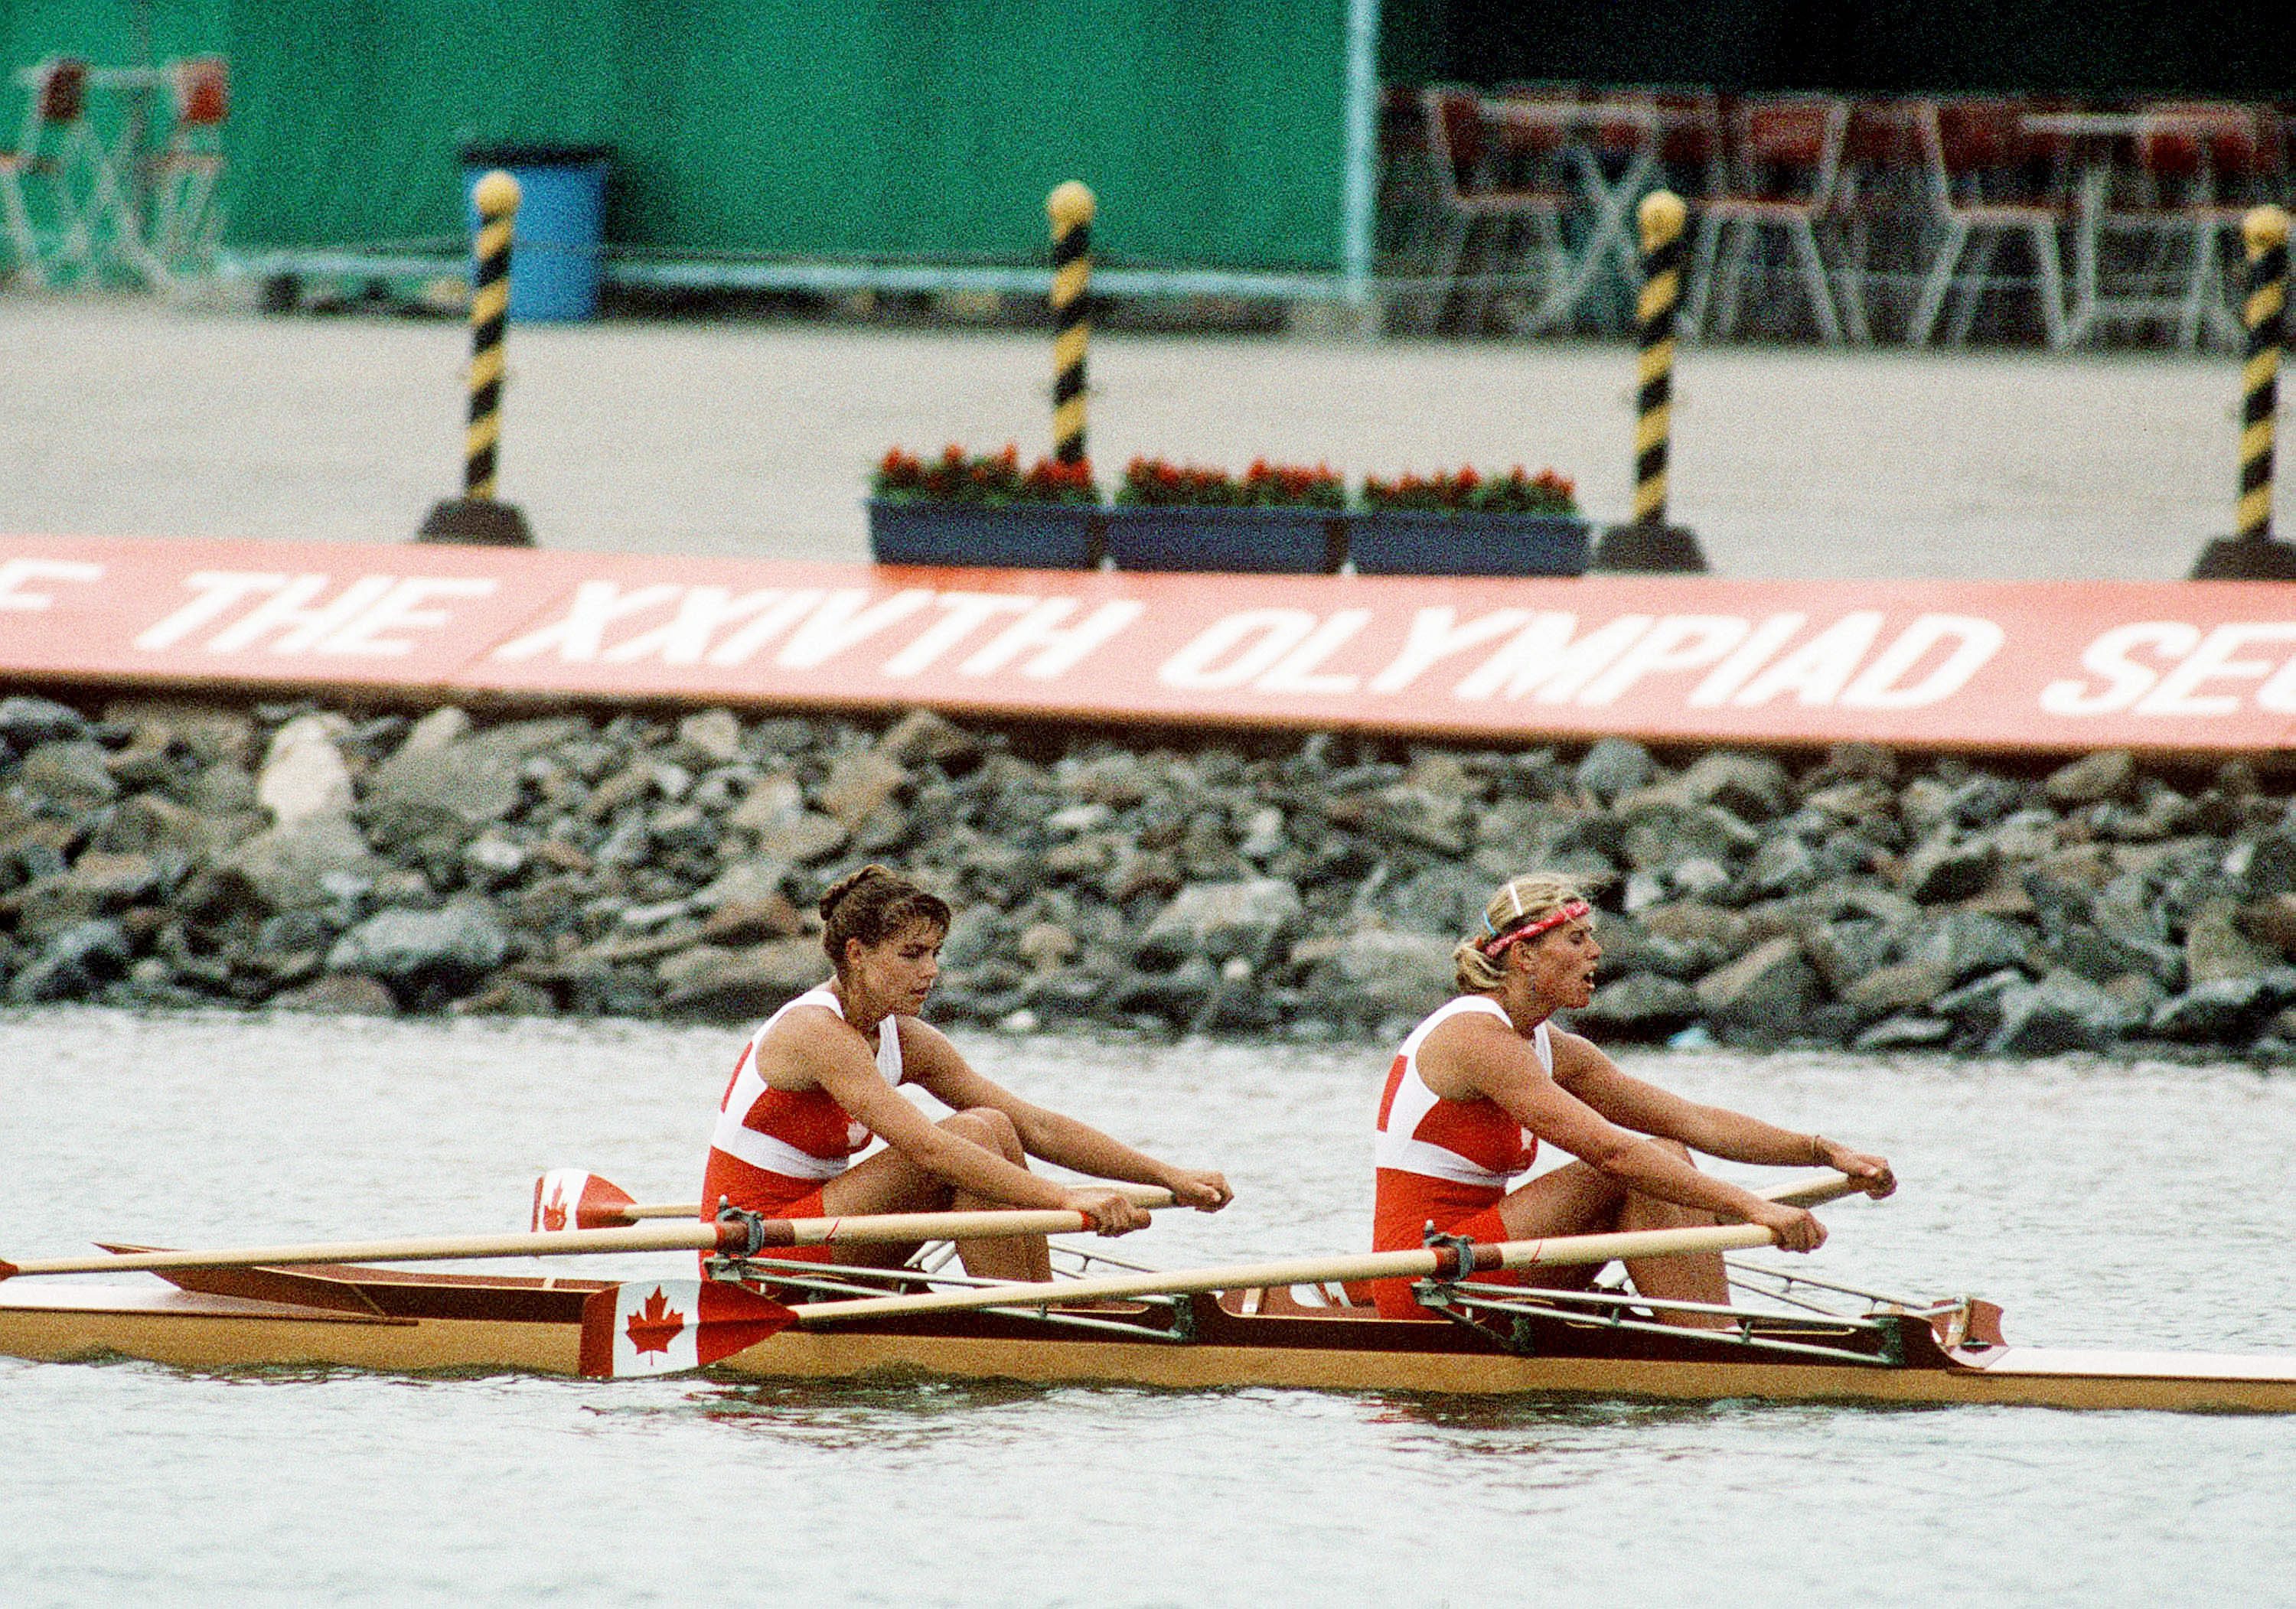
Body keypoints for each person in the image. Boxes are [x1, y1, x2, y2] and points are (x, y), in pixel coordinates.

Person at [1371, 871, 1894, 1323]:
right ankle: (1711, 1350)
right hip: (1424, 1277)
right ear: (1525, 954)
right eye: (1576, 939)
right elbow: (1612, 1153)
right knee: (1648, 1162)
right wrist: (1753, 1207)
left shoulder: (1553, 1047)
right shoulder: (1476, 1038)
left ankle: (1703, 1337)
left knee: (1667, 1151)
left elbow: (1693, 1120)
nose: (1595, 952)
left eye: (1591, 937)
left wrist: (1825, 1151)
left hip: (1482, 1258)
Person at [703, 864, 1232, 1284]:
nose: (931, 970)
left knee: (995, 1123)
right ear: (857, 954)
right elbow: (929, 1150)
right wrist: (1066, 1199)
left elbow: (1036, 1126)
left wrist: (1168, 1175)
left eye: (934, 952)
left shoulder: (904, 1038)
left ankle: (1033, 1307)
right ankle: (1027, 1327)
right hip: (755, 1255)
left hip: (822, 1231)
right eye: (911, 953)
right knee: (971, 1131)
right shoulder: (815, 1031)